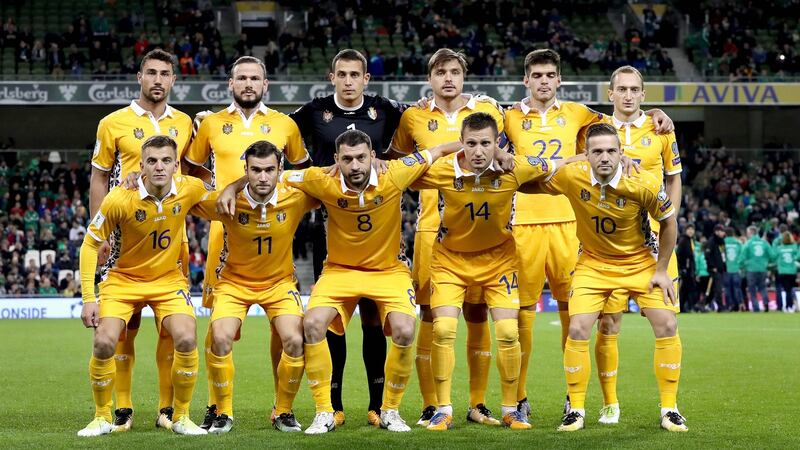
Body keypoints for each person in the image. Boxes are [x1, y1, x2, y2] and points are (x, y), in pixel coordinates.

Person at [215, 130, 460, 434]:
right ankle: (324, 411)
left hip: (388, 271)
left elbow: (440, 150)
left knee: (405, 329)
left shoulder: (396, 172)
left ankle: (390, 410)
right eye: (347, 159)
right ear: (336, 160)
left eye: (361, 158)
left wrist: (494, 151)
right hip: (340, 270)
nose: (355, 165)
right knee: (312, 324)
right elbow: (270, 177)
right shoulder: (321, 179)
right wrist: (231, 187)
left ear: (373, 156)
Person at [504, 52, 674, 419]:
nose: (544, 81)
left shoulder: (581, 113)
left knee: (576, 315)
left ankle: (573, 401)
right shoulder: (509, 115)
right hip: (523, 224)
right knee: (521, 316)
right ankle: (518, 398)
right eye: (537, 75)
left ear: (559, 80)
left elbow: (625, 118)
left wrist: (659, 114)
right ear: (526, 81)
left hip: (571, 223)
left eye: (550, 75)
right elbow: (477, 130)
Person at [520, 123, 686, 432]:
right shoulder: (573, 175)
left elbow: (668, 223)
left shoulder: (644, 182)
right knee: (579, 327)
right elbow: (531, 184)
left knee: (667, 323)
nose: (605, 157)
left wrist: (662, 270)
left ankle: (670, 409)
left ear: (622, 153)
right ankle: (577, 410)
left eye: (611, 150)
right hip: (593, 264)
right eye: (597, 151)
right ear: (586, 155)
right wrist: (514, 175)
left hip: (639, 261)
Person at [182, 55, 310, 429]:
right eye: (242, 78)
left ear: (266, 84)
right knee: (219, 329)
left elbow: (301, 173)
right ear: (230, 84)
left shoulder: (285, 125)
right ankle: (216, 405)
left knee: (284, 330)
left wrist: (244, 185)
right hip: (225, 233)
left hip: (273, 226)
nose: (248, 84)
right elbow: (190, 170)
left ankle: (281, 406)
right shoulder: (211, 124)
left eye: (255, 78)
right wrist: (221, 190)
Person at [411, 112, 556, 431]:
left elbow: (558, 165)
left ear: (498, 145)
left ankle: (510, 409)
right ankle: (443, 409)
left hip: (499, 261)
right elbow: (400, 172)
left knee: (507, 333)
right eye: (471, 143)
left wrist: (591, 157)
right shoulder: (442, 170)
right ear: (461, 143)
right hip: (450, 260)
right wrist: (438, 150)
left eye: (486, 143)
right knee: (443, 329)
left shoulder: (514, 167)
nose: (478, 150)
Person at [389, 48, 509, 427]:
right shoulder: (414, 116)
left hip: (482, 227)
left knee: (478, 312)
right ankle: (431, 404)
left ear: (464, 75)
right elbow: (397, 167)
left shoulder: (488, 113)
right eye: (440, 72)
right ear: (430, 79)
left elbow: (508, 153)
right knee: (432, 317)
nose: (448, 78)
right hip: (430, 230)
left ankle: (478, 403)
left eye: (454, 71)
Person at [289, 49, 407, 427]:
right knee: (332, 322)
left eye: (356, 74)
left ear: (365, 79)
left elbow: (424, 123)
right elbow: (276, 130)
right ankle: (334, 406)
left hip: (377, 218)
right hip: (329, 220)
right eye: (342, 74)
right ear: (332, 76)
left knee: (374, 320)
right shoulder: (314, 110)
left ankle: (378, 405)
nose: (349, 80)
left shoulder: (384, 109)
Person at [89, 49, 193, 431]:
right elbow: (100, 178)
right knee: (124, 325)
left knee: (172, 328)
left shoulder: (184, 123)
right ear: (139, 77)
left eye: (165, 73)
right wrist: (98, 233)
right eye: (151, 72)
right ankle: (123, 407)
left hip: (171, 239)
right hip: (123, 239)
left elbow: (192, 176)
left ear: (173, 80)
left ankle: (168, 409)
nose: (158, 80)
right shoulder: (112, 123)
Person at [78, 135, 209, 436]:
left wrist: (238, 186)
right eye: (152, 161)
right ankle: (101, 416)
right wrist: (89, 297)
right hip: (123, 281)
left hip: (167, 281)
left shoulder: (190, 189)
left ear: (177, 165)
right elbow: (90, 244)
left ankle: (182, 417)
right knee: (104, 342)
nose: (159, 167)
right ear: (141, 166)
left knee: (187, 339)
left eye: (166, 161)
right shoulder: (120, 198)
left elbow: (222, 204)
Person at [189, 141, 319, 433]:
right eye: (256, 170)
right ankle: (223, 412)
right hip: (234, 284)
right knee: (219, 338)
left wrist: (375, 163)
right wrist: (139, 179)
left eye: (269, 170)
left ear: (279, 170)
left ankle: (283, 411)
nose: (262, 177)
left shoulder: (296, 198)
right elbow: (183, 197)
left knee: (296, 341)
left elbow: (333, 183)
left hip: (279, 284)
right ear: (245, 170)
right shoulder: (226, 202)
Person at [591, 65, 682, 423]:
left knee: (665, 323)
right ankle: (610, 404)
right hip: (608, 243)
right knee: (608, 324)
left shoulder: (660, 129)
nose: (628, 95)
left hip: (653, 244)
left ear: (643, 95)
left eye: (635, 89)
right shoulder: (595, 128)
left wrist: (668, 221)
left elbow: (673, 178)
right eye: (621, 89)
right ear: (610, 93)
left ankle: (670, 407)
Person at [741, 225, 775, 312]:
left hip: (751, 269)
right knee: (762, 287)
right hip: (762, 269)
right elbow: (772, 256)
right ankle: (766, 302)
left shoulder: (748, 243)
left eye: (748, 232)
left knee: (752, 289)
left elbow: (742, 257)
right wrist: (766, 262)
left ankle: (756, 308)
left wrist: (742, 265)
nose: (747, 234)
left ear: (751, 233)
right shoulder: (764, 243)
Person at [773, 231, 800, 312]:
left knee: (786, 289)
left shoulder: (779, 248)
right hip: (792, 271)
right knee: (789, 289)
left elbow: (774, 255)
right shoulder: (794, 247)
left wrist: (775, 242)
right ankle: (790, 306)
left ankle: (788, 306)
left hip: (782, 271)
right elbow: (798, 256)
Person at [704, 225, 727, 311]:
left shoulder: (721, 242)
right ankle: (720, 307)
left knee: (714, 289)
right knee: (718, 289)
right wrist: (712, 267)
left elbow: (723, 255)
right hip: (715, 269)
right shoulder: (711, 241)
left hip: (720, 269)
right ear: (716, 231)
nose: (723, 233)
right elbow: (707, 255)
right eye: (721, 231)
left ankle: (704, 304)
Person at [676, 224, 697, 313]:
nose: (691, 231)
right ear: (686, 230)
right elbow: (679, 255)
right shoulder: (684, 240)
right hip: (686, 270)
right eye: (689, 229)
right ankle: (688, 307)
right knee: (687, 289)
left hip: (689, 269)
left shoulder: (690, 240)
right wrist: (682, 268)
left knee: (685, 290)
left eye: (692, 229)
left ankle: (684, 307)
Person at [723, 227, 744, 311]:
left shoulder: (723, 243)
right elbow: (742, 256)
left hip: (726, 269)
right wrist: (739, 265)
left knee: (727, 289)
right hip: (736, 269)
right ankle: (740, 305)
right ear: (733, 234)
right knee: (737, 288)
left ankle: (730, 306)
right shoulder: (738, 243)